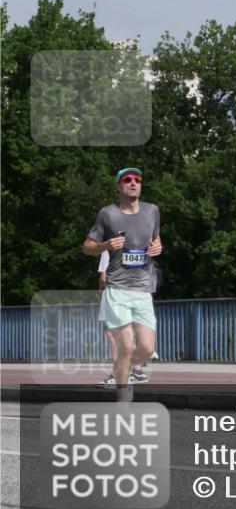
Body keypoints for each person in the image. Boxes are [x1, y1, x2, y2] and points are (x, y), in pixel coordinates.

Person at [83, 168, 162, 403]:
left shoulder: (152, 211)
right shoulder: (108, 214)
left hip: (143, 289)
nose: (133, 183)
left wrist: (158, 246)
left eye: (137, 180)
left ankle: (122, 370)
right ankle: (123, 400)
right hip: (117, 289)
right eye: (127, 180)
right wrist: (106, 245)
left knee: (146, 348)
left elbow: (156, 238)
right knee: (126, 346)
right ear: (118, 186)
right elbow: (87, 247)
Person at [95, 251, 149, 387]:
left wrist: (100, 291)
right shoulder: (136, 248)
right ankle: (137, 372)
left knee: (113, 335)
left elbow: (103, 278)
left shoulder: (109, 249)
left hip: (114, 294)